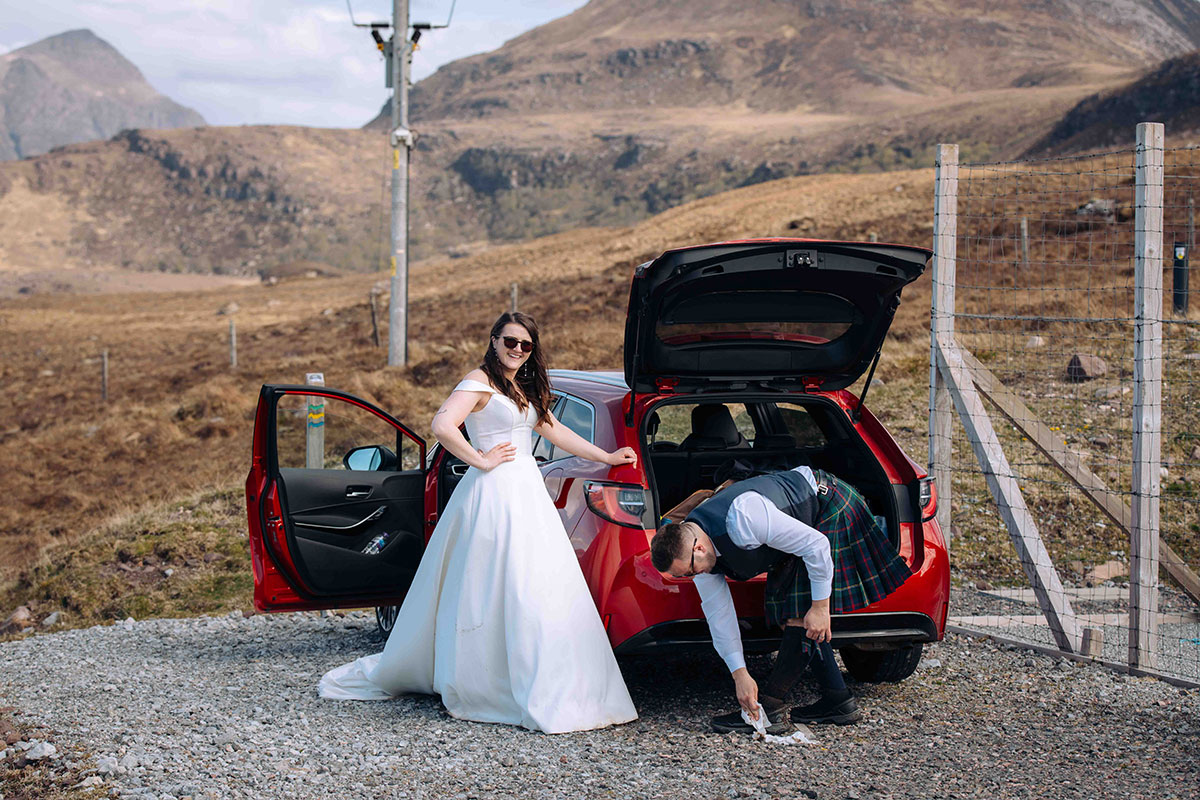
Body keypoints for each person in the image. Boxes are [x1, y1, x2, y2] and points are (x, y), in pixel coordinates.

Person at [319, 311, 639, 733]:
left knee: (536, 582)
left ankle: (546, 674)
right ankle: (487, 679)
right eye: (510, 341)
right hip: (492, 491)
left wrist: (608, 456)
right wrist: (481, 460)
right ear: (494, 341)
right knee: (491, 582)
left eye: (526, 345)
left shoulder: (524, 386)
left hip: (527, 491)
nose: (517, 350)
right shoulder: (479, 380)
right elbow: (442, 425)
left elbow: (556, 431)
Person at [649, 464, 911, 734]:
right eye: (684, 575)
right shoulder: (694, 554)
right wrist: (740, 674)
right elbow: (720, 615)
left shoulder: (744, 517)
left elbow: (816, 545)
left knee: (799, 615)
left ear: (699, 547)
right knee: (790, 614)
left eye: (690, 571)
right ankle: (838, 700)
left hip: (828, 504)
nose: (693, 576)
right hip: (799, 524)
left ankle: (769, 709)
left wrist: (821, 607)